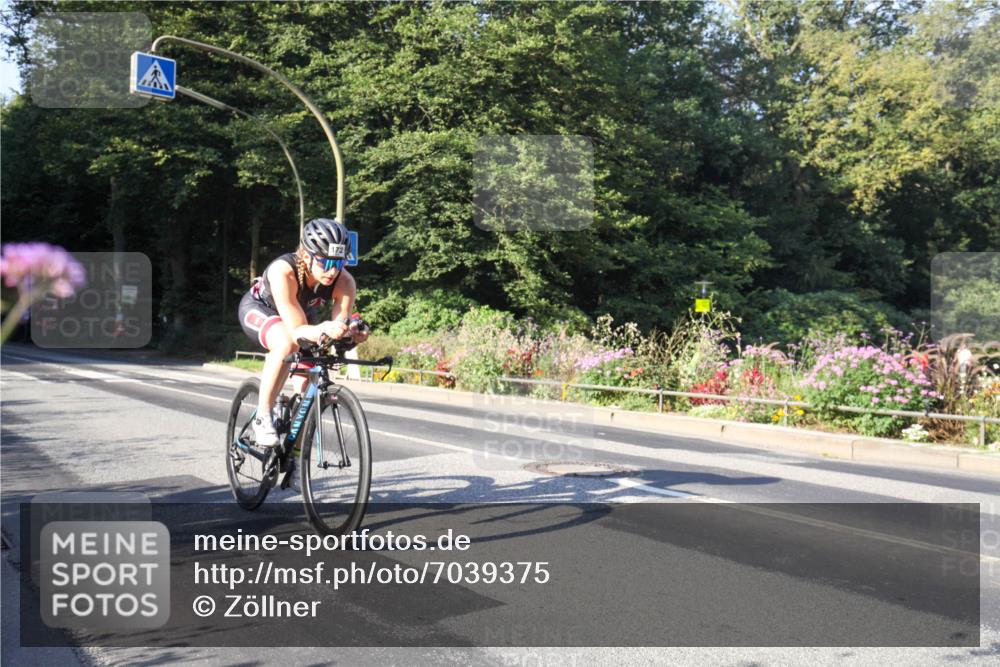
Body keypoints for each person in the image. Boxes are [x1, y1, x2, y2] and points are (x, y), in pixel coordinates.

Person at [238, 217, 369, 447]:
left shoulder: (345, 282)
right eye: (326, 263)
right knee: (287, 343)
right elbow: (296, 331)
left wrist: (351, 335)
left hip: (302, 316)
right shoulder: (283, 271)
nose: (333, 271)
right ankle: (263, 415)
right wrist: (324, 328)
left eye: (339, 263)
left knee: (309, 392)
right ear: (307, 256)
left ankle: (296, 458)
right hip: (261, 309)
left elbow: (338, 329)